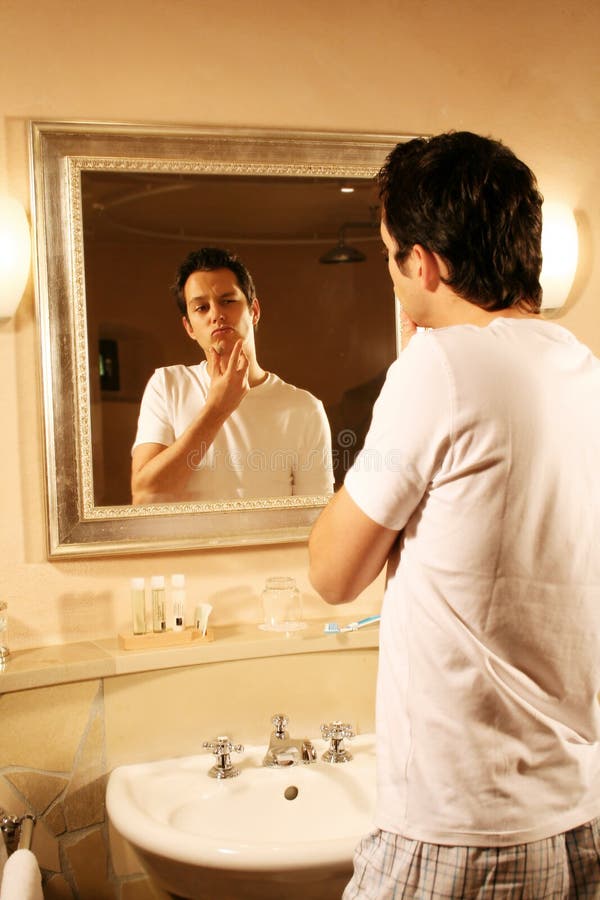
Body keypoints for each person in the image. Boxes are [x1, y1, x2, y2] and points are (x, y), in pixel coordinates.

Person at [308, 131, 600, 898]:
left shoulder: (438, 367)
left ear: (425, 263)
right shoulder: (585, 373)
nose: (393, 278)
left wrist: (417, 365)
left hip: (462, 830)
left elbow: (332, 573)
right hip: (576, 815)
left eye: (390, 258)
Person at [131, 247, 333, 503]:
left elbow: (315, 518)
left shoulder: (304, 409)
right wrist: (216, 410)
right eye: (201, 307)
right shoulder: (167, 386)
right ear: (189, 327)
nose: (216, 314)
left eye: (227, 301)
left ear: (254, 311)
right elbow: (145, 497)